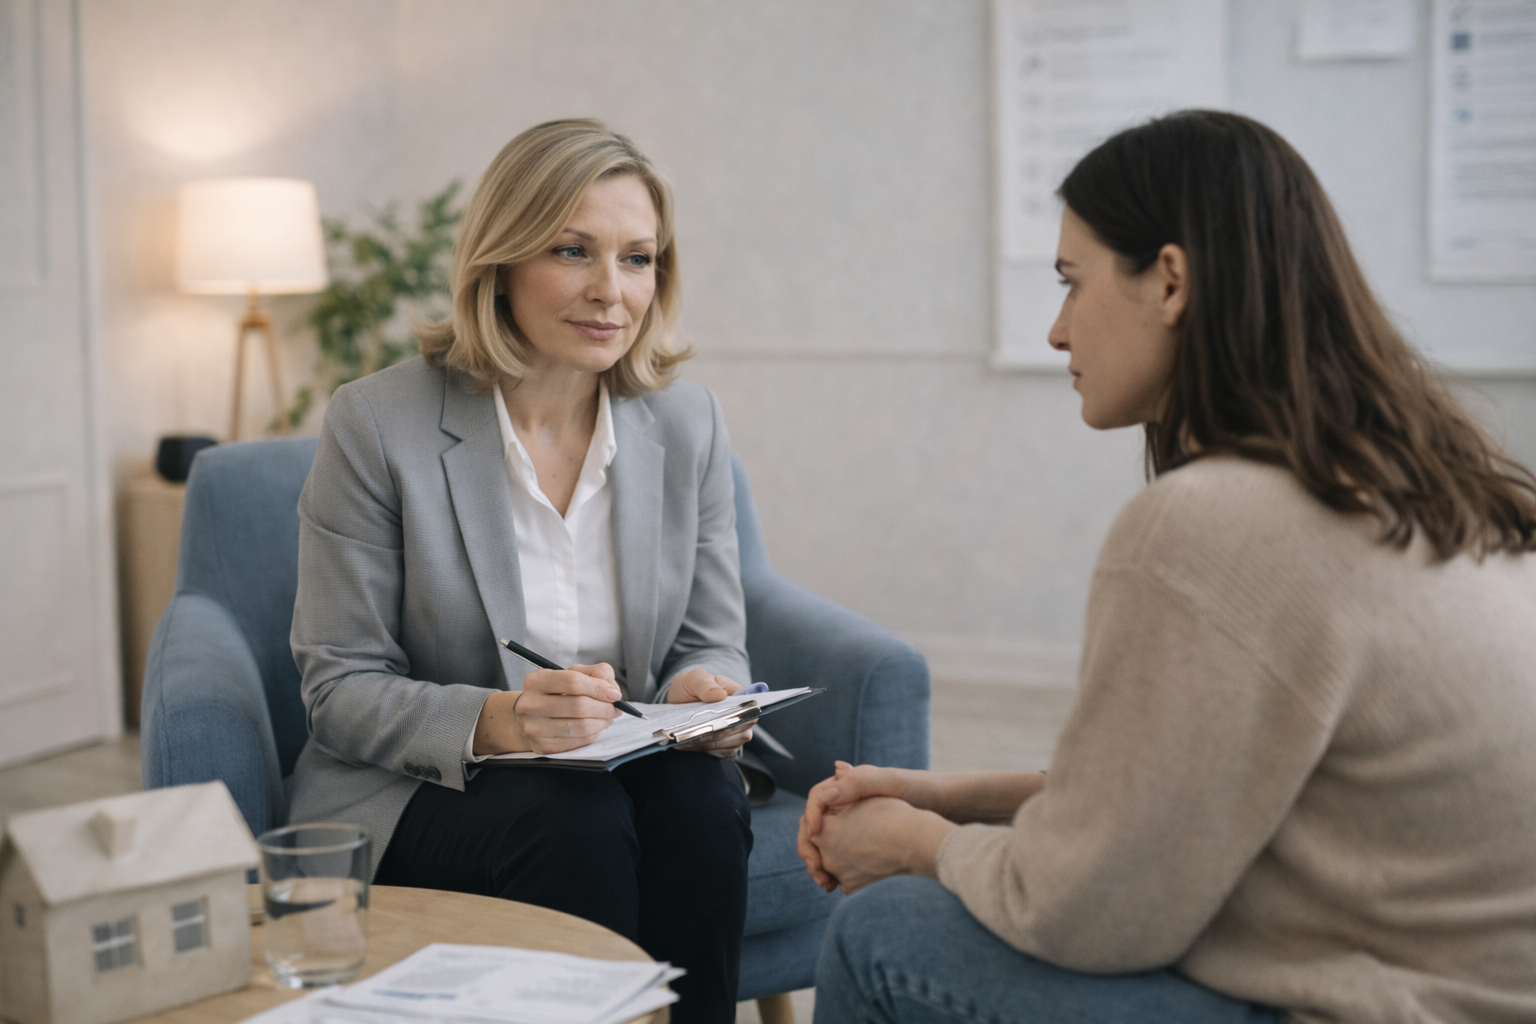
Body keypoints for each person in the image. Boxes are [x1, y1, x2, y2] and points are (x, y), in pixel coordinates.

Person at [797, 110, 1536, 1023]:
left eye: (1073, 284)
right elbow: (1176, 801)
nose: (1058, 331)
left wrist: (918, 843)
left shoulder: (1212, 522)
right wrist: (951, 796)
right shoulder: (1428, 487)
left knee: (888, 930)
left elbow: (1092, 914)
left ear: (1172, 281)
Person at [287, 119, 753, 1024]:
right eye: (572, 250)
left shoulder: (686, 423)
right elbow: (338, 688)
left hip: (624, 760)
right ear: (500, 263)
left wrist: (708, 686)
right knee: (566, 816)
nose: (610, 292)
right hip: (430, 786)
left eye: (638, 258)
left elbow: (711, 631)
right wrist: (500, 721)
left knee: (700, 799)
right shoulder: (378, 424)